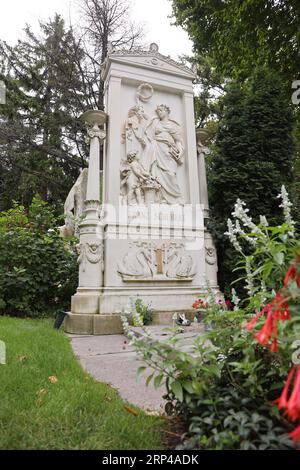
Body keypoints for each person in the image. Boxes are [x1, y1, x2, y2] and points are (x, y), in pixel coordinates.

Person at [145, 104, 184, 204]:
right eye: (158, 112)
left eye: (161, 111)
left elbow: (178, 140)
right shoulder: (156, 123)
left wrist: (180, 152)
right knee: (158, 174)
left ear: (166, 111)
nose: (159, 113)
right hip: (158, 150)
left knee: (171, 174)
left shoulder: (172, 126)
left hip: (168, 152)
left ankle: (177, 197)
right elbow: (147, 129)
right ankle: (162, 198)